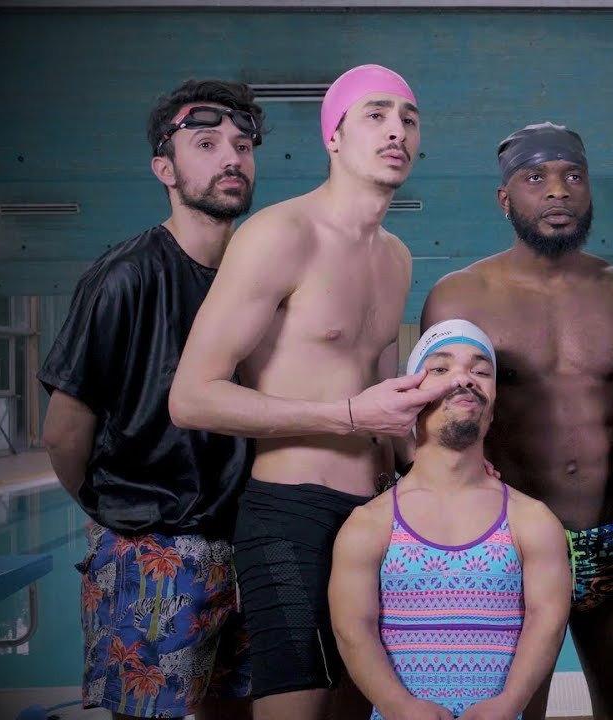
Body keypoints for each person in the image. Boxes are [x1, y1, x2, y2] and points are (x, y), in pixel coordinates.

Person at [168, 64, 441, 720]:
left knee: (357, 707)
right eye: (375, 114)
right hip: (291, 515)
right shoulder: (280, 235)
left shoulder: (397, 257)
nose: (396, 130)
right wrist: (346, 415)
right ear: (333, 137)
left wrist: (432, 460)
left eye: (408, 118)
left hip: (376, 514)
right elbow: (192, 396)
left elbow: (378, 398)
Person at [420, 122, 613, 720]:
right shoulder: (459, 297)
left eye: (573, 176)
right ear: (505, 199)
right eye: (536, 177)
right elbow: (430, 429)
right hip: (516, 540)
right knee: (510, 709)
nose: (558, 190)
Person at [39, 78, 263, 720]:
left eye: (242, 145)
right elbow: (64, 432)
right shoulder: (125, 277)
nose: (231, 158)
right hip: (154, 548)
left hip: (247, 541)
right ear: (165, 169)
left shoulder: (259, 277)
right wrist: (121, 516)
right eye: (206, 144)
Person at [330, 320, 572, 720]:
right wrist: (400, 706)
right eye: (440, 368)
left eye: (481, 371)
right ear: (410, 398)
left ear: (493, 406)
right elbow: (353, 629)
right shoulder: (369, 524)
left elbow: (547, 621)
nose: (464, 379)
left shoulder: (532, 520)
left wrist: (508, 703)